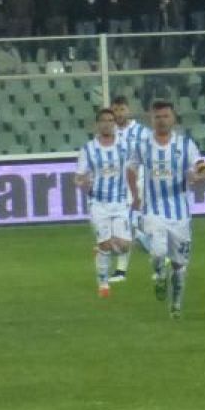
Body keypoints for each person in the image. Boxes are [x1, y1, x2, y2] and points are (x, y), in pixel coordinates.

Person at [125, 100, 205, 318]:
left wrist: (200, 176)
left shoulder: (185, 145)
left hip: (180, 215)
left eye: (165, 116)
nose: (161, 120)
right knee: (158, 251)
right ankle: (159, 274)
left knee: (179, 266)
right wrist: (135, 195)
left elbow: (203, 168)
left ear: (173, 118)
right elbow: (131, 169)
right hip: (153, 210)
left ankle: (176, 305)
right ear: (151, 120)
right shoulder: (142, 145)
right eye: (157, 117)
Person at [74, 106, 132, 299]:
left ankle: (101, 249)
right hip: (98, 204)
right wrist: (82, 182)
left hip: (120, 202)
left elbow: (135, 166)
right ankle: (103, 283)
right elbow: (78, 177)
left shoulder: (124, 145)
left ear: (115, 124)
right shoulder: (89, 149)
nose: (107, 124)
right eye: (103, 121)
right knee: (106, 245)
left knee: (124, 246)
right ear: (97, 125)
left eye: (110, 121)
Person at [107, 94, 149, 283]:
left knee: (127, 224)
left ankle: (121, 271)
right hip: (118, 186)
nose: (118, 113)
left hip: (139, 183)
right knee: (125, 228)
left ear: (128, 110)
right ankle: (149, 246)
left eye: (122, 109)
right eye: (115, 110)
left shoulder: (142, 132)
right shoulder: (109, 132)